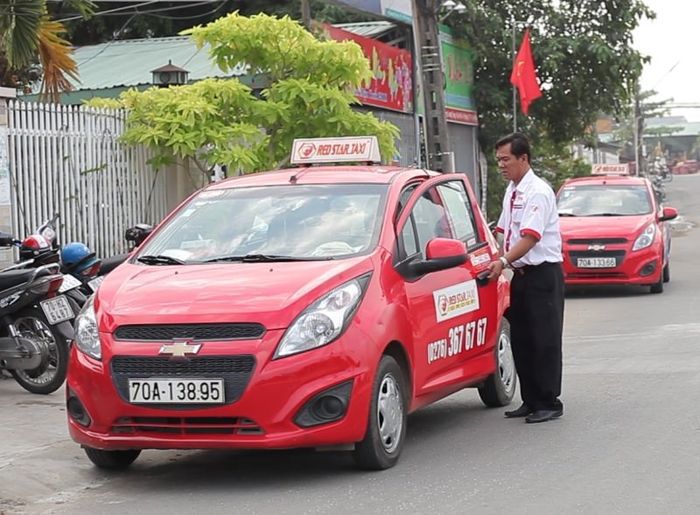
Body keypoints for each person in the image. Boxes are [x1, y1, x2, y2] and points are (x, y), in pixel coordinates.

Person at [487, 132, 565, 424]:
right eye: (498, 161)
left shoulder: (538, 192)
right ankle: (530, 399)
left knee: (544, 340)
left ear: (524, 158)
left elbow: (530, 237)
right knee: (522, 338)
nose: (501, 165)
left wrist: (503, 260)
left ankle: (549, 401)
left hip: (543, 275)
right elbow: (503, 230)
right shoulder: (512, 189)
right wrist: (494, 254)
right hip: (519, 275)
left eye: (506, 159)